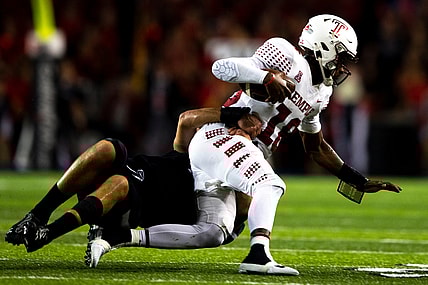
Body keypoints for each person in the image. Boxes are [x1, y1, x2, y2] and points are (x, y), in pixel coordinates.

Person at [87, 14, 402, 275]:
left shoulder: (322, 93)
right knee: (270, 184)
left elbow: (315, 145)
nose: (342, 67)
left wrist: (356, 180)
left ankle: (116, 235)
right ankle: (258, 255)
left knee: (212, 232)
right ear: (323, 48)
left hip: (241, 152)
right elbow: (221, 67)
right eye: (341, 58)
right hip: (221, 136)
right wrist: (265, 78)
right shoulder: (286, 54)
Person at [4, 108, 260, 258]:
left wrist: (245, 149)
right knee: (109, 147)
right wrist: (233, 116)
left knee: (121, 183)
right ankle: (38, 215)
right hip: (129, 174)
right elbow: (186, 119)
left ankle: (49, 233)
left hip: (131, 206)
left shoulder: (215, 201)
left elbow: (244, 206)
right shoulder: (193, 155)